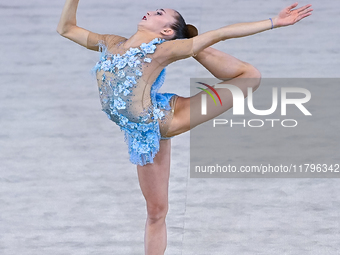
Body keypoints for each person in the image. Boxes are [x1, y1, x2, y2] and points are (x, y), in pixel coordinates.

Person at [57, 1, 312, 254]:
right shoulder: (112, 43)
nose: (151, 10)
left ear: (166, 32)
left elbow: (222, 33)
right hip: (144, 128)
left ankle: (194, 47)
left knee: (250, 77)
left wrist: (273, 22)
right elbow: (66, 29)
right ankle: (193, 47)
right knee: (156, 212)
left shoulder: (161, 51)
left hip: (164, 121)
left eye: (160, 14)